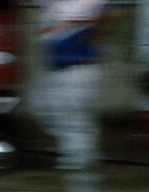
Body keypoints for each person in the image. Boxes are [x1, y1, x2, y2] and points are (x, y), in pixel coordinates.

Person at [34, 0, 112, 171]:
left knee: (74, 113)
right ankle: (81, 152)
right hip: (59, 68)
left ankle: (78, 156)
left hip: (79, 66)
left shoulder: (86, 6)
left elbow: (103, 15)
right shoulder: (54, 9)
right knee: (52, 110)